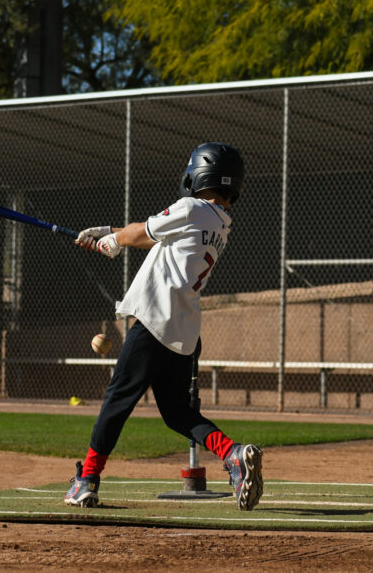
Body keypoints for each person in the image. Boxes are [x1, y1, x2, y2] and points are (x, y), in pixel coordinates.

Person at [64, 142, 264, 511]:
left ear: (198, 175)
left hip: (154, 322)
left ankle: (87, 479)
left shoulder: (191, 208)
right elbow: (159, 239)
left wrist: (115, 240)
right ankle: (232, 454)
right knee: (177, 413)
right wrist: (111, 233)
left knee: (116, 401)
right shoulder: (219, 224)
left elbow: (144, 234)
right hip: (183, 331)